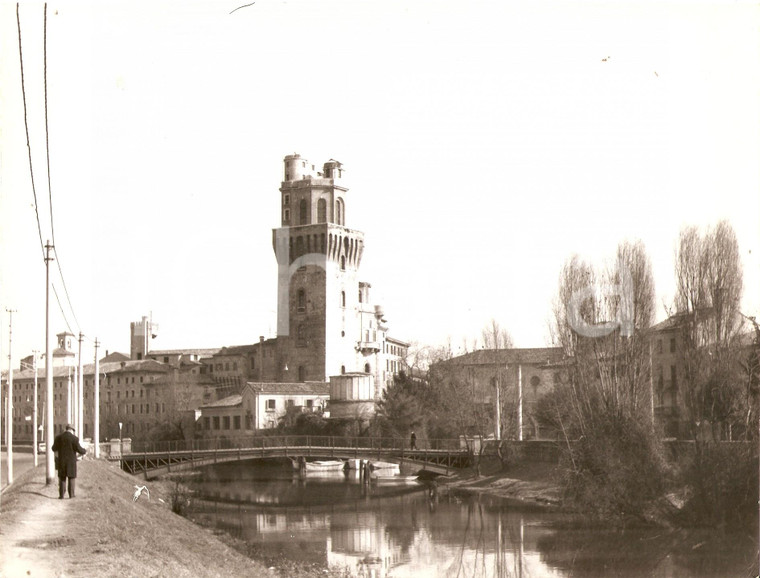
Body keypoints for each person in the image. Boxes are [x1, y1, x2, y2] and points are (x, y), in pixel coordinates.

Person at [51, 423, 87, 499]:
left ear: (66, 429)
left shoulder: (59, 438)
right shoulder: (74, 439)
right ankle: (71, 494)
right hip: (71, 462)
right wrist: (84, 451)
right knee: (71, 477)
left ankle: (61, 495)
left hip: (61, 461)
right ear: (72, 430)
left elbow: (53, 448)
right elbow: (79, 449)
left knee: (62, 477)